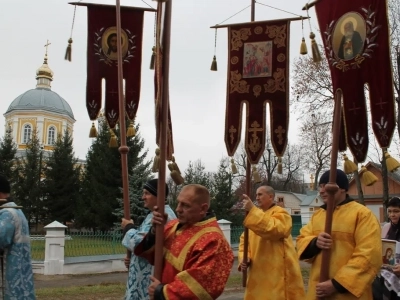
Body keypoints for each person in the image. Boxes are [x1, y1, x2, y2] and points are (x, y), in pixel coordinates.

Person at [135, 184, 234, 300]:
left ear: (203, 208)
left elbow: (201, 287)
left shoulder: (214, 241)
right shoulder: (173, 225)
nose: (178, 209)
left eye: (185, 205)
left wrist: (161, 291)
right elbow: (152, 255)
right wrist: (155, 231)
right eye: (178, 203)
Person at [297, 169, 382, 299]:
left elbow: (369, 255)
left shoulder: (363, 215)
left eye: (326, 185)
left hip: (347, 292)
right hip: (318, 290)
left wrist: (336, 284)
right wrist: (315, 242)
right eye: (320, 186)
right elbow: (301, 240)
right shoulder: (318, 215)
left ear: (342, 188)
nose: (321, 190)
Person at [239, 185, 305, 299]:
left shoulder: (281, 213)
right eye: (256, 195)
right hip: (258, 273)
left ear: (270, 196)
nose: (257, 197)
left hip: (277, 273)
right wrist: (245, 258)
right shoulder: (255, 215)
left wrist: (252, 210)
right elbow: (244, 241)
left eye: (260, 194)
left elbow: (276, 230)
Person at [121, 179, 176, 300]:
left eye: (147, 193)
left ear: (158, 195)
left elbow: (141, 244)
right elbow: (145, 247)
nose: (143, 197)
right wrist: (133, 259)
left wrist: (128, 227)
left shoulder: (163, 216)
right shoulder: (153, 214)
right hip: (142, 279)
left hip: (149, 281)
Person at [0, 174, 36, 299]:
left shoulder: (7, 214)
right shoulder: (17, 211)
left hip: (10, 272)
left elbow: (1, 239)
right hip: (21, 270)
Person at [379, 197, 400, 299]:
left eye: (396, 211)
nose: (392, 215)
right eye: (390, 211)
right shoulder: (386, 227)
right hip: (387, 277)